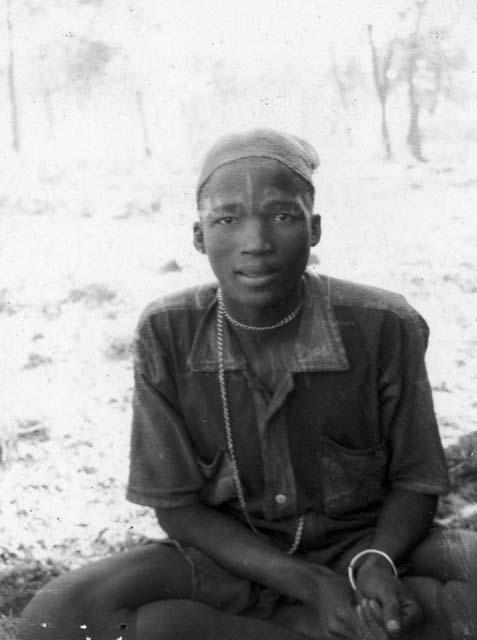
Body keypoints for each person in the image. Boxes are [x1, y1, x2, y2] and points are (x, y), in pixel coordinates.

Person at [19, 129, 477, 640]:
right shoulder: (167, 333)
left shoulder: (382, 324)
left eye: (282, 216)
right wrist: (307, 583)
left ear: (315, 228)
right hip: (230, 559)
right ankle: (320, 623)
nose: (256, 244)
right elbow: (176, 507)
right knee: (58, 614)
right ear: (199, 237)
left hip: (371, 548)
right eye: (227, 219)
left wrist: (375, 561)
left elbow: (417, 481)